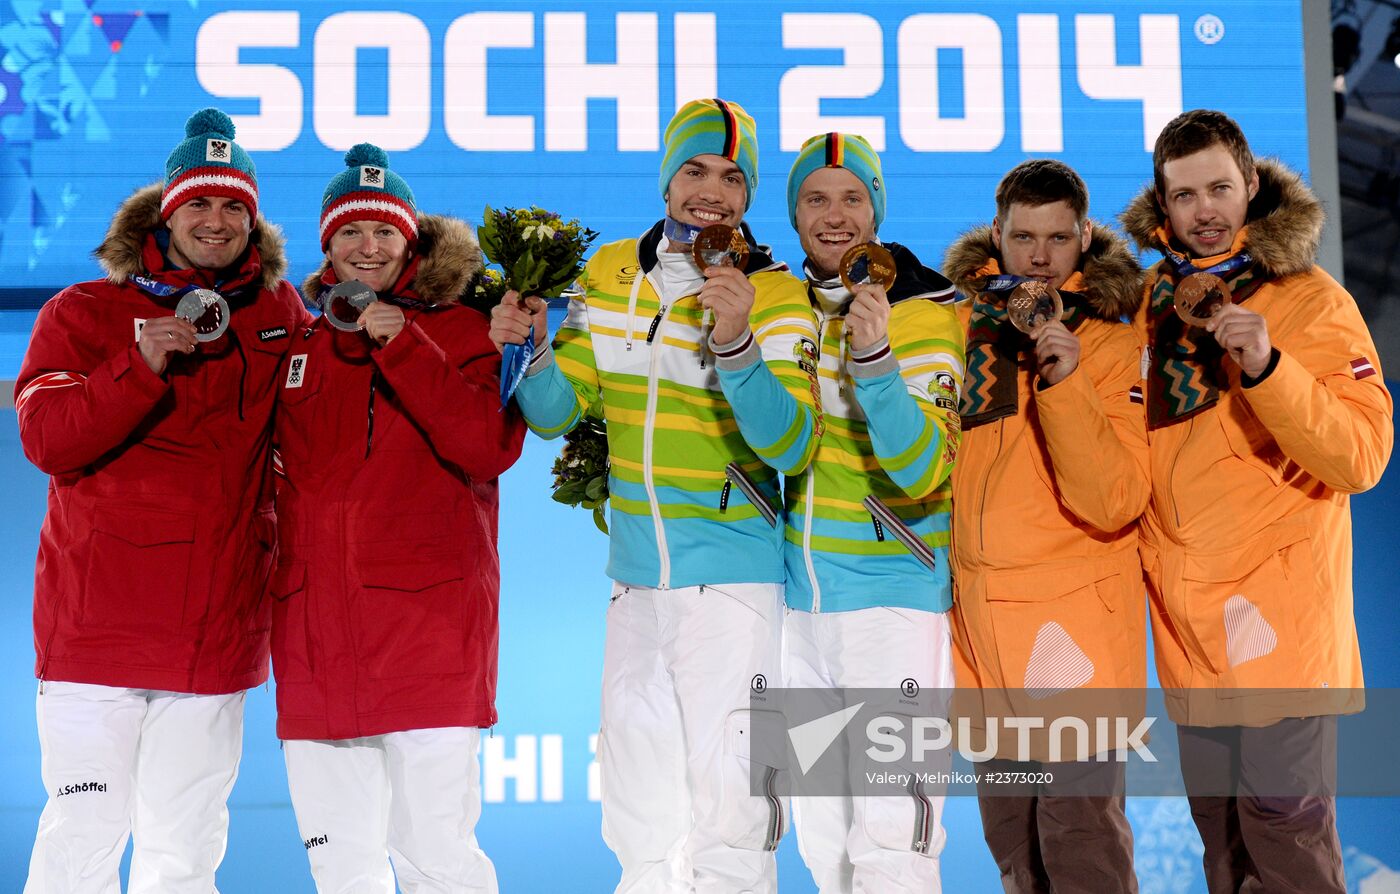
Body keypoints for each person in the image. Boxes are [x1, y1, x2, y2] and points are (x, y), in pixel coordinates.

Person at [489, 98, 821, 893]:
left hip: (733, 586)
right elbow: (557, 414)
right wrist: (531, 349)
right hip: (635, 585)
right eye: (697, 169)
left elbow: (792, 442)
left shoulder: (775, 292)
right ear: (667, 178)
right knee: (638, 811)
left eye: (734, 178)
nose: (713, 191)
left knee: (733, 812)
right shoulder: (607, 276)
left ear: (749, 197)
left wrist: (738, 342)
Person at [14, 108, 304, 892]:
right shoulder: (79, 313)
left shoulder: (280, 316)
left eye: (235, 206)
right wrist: (136, 365)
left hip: (213, 634)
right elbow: (48, 439)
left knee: (182, 855)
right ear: (166, 212)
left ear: (253, 219)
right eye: (201, 204)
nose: (217, 222)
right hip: (94, 633)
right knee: (82, 840)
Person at [1120, 108, 1393, 893]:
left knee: (1286, 838)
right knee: (1226, 848)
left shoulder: (1309, 299)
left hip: (1277, 628)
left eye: (1220, 188)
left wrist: (1270, 366)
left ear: (1250, 188)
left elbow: (1361, 455)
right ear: (1162, 207)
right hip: (1189, 636)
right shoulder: (1143, 309)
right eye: (1184, 195)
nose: (1204, 210)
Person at [271, 143, 524, 892]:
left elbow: (485, 447)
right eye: (351, 232)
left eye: (384, 230)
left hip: (430, 641)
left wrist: (401, 342)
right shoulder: (301, 342)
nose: (368, 246)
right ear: (327, 246)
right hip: (318, 644)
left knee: (438, 863)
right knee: (340, 870)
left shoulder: (468, 329)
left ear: (412, 240)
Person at [943, 158, 1149, 893]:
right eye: (1022, 237)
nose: (1037, 256)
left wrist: (1064, 381)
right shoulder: (957, 328)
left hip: (1072, 639)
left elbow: (1115, 499)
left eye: (1057, 239)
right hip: (980, 636)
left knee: (1082, 849)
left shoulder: (1115, 342)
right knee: (1017, 856)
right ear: (996, 234)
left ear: (1084, 237)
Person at [780, 132, 964, 894]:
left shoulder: (928, 316)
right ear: (793, 216)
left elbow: (924, 468)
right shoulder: (783, 310)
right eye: (815, 198)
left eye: (852, 196)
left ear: (877, 210)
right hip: (800, 611)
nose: (834, 214)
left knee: (894, 840)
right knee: (823, 841)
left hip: (895, 604)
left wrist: (878, 363)